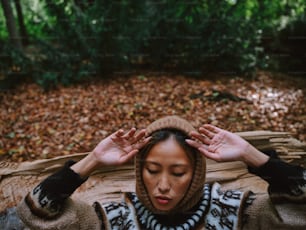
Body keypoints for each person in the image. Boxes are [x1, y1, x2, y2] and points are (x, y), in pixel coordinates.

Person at [16, 116, 306, 229]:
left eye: (178, 172)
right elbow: (35, 213)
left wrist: (251, 156)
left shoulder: (236, 212)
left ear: (195, 174)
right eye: (152, 170)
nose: (162, 185)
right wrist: (92, 160)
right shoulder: (115, 218)